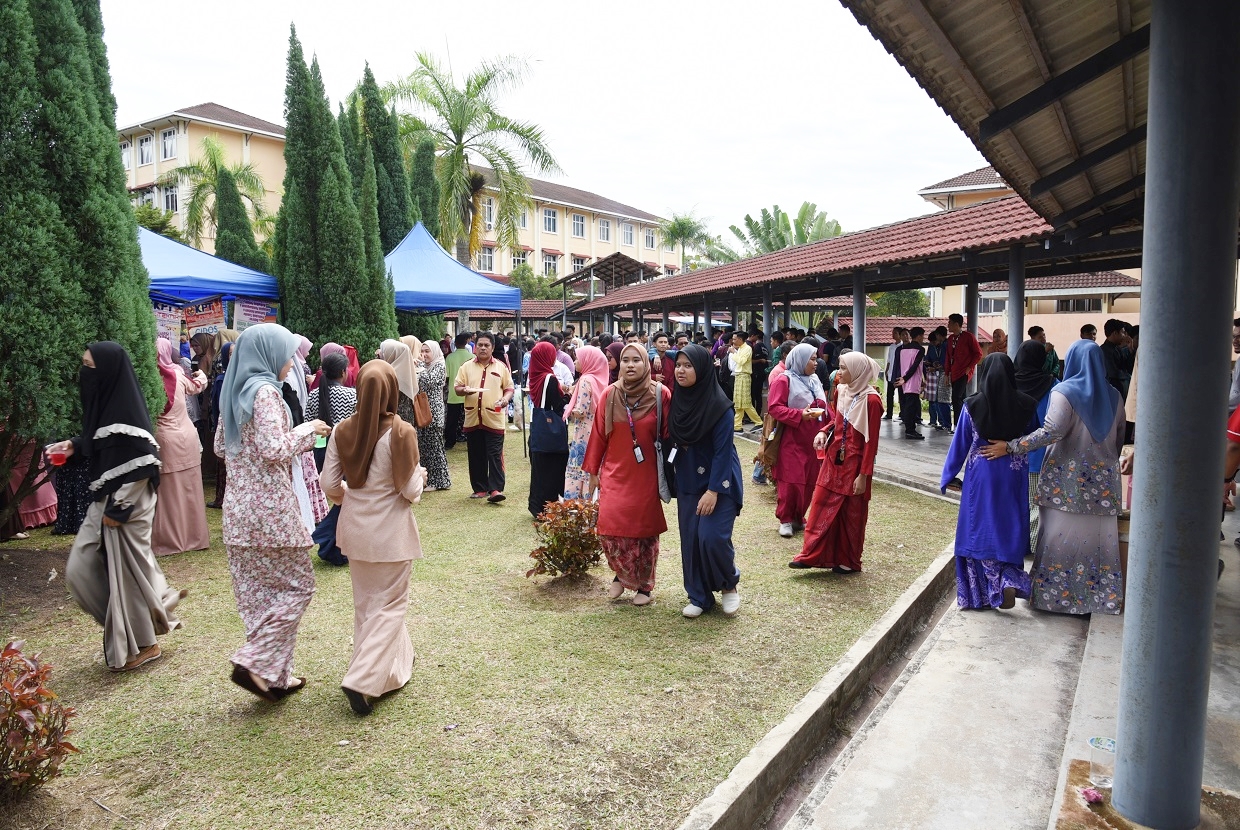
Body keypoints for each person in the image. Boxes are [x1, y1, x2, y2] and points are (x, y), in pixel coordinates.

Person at [51, 342, 186, 671]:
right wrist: (76, 446)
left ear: (108, 373)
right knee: (81, 570)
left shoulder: (127, 412)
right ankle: (148, 614)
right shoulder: (106, 406)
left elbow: (145, 462)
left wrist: (120, 508)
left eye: (90, 367)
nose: (84, 374)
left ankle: (143, 643)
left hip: (127, 504)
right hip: (105, 498)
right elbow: (105, 442)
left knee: (127, 576)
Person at [215, 323, 332, 701]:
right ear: (267, 354)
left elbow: (220, 447)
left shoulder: (234, 392)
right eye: (287, 354)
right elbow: (273, 448)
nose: (291, 362)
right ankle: (253, 661)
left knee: (258, 597)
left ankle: (275, 677)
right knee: (299, 587)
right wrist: (307, 430)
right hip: (270, 512)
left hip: (238, 512)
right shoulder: (265, 393)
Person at [980, 340, 1125, 615]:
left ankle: (1054, 599)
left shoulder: (1064, 392)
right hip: (1103, 487)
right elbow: (1119, 437)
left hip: (1065, 483)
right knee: (1098, 544)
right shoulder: (1115, 396)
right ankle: (1097, 599)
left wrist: (1011, 446)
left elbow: (1050, 432)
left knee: (1059, 540)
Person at [320, 360, 426, 716]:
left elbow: (328, 483)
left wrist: (349, 498)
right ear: (392, 390)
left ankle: (389, 672)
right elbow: (410, 491)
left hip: (354, 529)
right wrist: (421, 476)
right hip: (391, 533)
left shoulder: (341, 430)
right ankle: (362, 679)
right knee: (391, 606)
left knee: (367, 605)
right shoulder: (401, 431)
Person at [939, 354, 1037, 609]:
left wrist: (948, 475)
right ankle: (1007, 578)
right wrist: (1012, 446)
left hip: (981, 476)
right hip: (1013, 474)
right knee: (1009, 527)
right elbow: (1035, 439)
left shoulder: (972, 405)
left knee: (979, 531)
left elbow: (960, 445)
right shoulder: (1027, 405)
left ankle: (984, 593)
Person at [582, 343, 672, 606]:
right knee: (610, 528)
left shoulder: (661, 394)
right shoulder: (610, 394)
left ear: (646, 363)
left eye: (636, 360)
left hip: (646, 473)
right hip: (615, 470)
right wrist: (593, 471)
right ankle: (621, 575)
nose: (630, 365)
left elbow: (668, 434)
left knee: (644, 532)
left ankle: (644, 586)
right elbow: (598, 433)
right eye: (625, 360)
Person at [790, 351, 883, 573]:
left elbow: (871, 443)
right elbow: (837, 421)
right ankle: (810, 555)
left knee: (852, 514)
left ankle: (848, 561)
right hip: (834, 459)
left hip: (855, 466)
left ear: (857, 371)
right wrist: (823, 431)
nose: (838, 372)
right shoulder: (842, 391)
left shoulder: (872, 401)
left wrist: (864, 476)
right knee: (820, 505)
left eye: (843, 368)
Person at [669, 344, 742, 618]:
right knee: (690, 540)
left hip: (719, 480)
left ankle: (728, 584)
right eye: (678, 365)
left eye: (688, 365)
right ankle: (699, 596)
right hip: (688, 477)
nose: (681, 371)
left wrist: (713, 490)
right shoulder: (676, 401)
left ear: (701, 369)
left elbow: (723, 452)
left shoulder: (720, 407)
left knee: (711, 537)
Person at [151, 338, 210, 556]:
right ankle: (194, 537)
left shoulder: (149, 380)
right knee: (190, 489)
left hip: (165, 440)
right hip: (188, 437)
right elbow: (198, 385)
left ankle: (170, 541)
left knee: (168, 494)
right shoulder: (177, 375)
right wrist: (202, 375)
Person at [767, 344, 828, 538]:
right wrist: (799, 414)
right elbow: (774, 408)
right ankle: (785, 519)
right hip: (792, 438)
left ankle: (798, 517)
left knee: (809, 480)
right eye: (812, 359)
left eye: (816, 358)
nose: (816, 363)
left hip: (813, 439)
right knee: (791, 480)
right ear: (800, 360)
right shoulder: (783, 380)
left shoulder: (814, 379)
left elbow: (824, 406)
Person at [307, 353, 357, 567]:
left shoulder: (314, 394)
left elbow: (308, 423)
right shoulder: (351, 395)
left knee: (338, 498)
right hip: (344, 451)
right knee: (346, 498)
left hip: (320, 450)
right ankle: (331, 540)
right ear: (344, 372)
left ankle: (332, 540)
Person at [453, 331, 515, 503]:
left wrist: (505, 399)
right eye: (479, 345)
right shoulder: (466, 367)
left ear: (492, 348)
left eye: (486, 345)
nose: (482, 348)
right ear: (475, 347)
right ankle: (479, 488)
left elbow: (509, 388)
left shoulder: (500, 367)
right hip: (473, 417)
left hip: (494, 418)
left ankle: (495, 489)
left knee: (494, 454)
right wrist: (464, 390)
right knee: (476, 454)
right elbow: (457, 387)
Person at [1014, 340, 1058, 553]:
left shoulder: (1009, 382)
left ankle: (1016, 546)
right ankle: (1032, 547)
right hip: (1040, 456)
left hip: (1010, 455)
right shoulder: (1053, 385)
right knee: (1035, 505)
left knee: (1015, 503)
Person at [526, 341, 570, 517]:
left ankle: (537, 505)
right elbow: (557, 406)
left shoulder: (535, 375)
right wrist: (568, 396)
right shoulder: (549, 378)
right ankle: (548, 506)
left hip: (539, 428)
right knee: (552, 469)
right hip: (550, 430)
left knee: (540, 470)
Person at [564, 345, 609, 500]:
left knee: (580, 465)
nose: (575, 362)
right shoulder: (600, 379)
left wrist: (568, 409)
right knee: (593, 464)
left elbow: (581, 411)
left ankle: (579, 501)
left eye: (578, 359)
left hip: (584, 431)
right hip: (597, 429)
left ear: (588, 361)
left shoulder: (585, 380)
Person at [416, 340, 451, 491]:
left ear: (435, 352)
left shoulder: (439, 365)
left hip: (434, 412)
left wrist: (419, 366)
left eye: (427, 351)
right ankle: (431, 480)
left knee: (435, 448)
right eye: (422, 351)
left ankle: (439, 482)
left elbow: (429, 382)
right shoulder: (426, 366)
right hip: (423, 410)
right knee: (426, 447)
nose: (424, 354)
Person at [943, 313, 983, 431]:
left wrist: (970, 367)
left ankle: (957, 425)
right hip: (954, 372)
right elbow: (948, 357)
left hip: (963, 373)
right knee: (962, 399)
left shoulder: (968, 337)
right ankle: (967, 423)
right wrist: (946, 373)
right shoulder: (950, 339)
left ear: (956, 324)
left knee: (956, 398)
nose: (948, 325)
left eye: (950, 323)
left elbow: (978, 353)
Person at [893, 326, 926, 440]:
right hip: (912, 381)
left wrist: (900, 379)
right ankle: (910, 430)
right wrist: (906, 378)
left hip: (903, 381)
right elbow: (915, 366)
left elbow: (898, 365)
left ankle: (910, 429)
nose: (923, 338)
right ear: (919, 336)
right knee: (912, 407)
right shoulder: (920, 349)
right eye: (922, 336)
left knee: (906, 405)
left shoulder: (902, 349)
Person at [379, 339, 420, 427]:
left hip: (394, 424)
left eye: (383, 352)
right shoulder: (407, 373)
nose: (380, 355)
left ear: (392, 355)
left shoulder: (391, 376)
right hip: (406, 422)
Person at [728, 331, 763, 431]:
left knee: (746, 402)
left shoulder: (747, 348)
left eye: (734, 339)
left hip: (744, 376)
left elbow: (741, 361)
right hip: (739, 376)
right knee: (738, 403)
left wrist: (733, 352)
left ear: (740, 339)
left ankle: (758, 422)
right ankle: (737, 426)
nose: (733, 341)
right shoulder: (740, 348)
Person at [444, 332, 472, 449]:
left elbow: (447, 376)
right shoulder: (472, 357)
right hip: (469, 393)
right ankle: (471, 441)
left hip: (454, 394)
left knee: (452, 420)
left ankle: (450, 442)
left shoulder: (450, 357)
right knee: (470, 419)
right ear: (466, 343)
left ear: (455, 344)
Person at [1100, 318, 1135, 399]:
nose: (1124, 336)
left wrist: (1130, 349)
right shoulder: (1104, 350)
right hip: (1114, 393)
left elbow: (1129, 368)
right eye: (1123, 332)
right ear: (1115, 333)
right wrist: (1128, 376)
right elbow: (1113, 373)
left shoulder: (1118, 349)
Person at [923, 329, 948, 430]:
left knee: (940, 398)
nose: (933, 344)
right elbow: (928, 357)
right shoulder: (931, 346)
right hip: (932, 373)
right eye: (932, 343)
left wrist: (937, 367)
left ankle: (942, 422)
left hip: (942, 373)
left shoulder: (944, 346)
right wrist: (927, 362)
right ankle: (933, 420)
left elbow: (945, 361)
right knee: (931, 399)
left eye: (934, 342)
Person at [883, 327, 904, 420]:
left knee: (901, 395)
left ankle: (902, 414)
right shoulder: (891, 346)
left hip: (899, 373)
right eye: (893, 333)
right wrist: (886, 370)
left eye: (895, 333)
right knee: (889, 395)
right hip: (891, 373)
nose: (893, 334)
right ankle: (889, 414)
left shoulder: (902, 347)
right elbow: (889, 360)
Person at [749, 329, 771, 415]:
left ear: (756, 336)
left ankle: (755, 413)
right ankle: (758, 412)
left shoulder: (756, 347)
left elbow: (752, 360)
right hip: (763, 372)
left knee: (754, 394)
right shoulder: (765, 347)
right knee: (759, 394)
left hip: (756, 373)